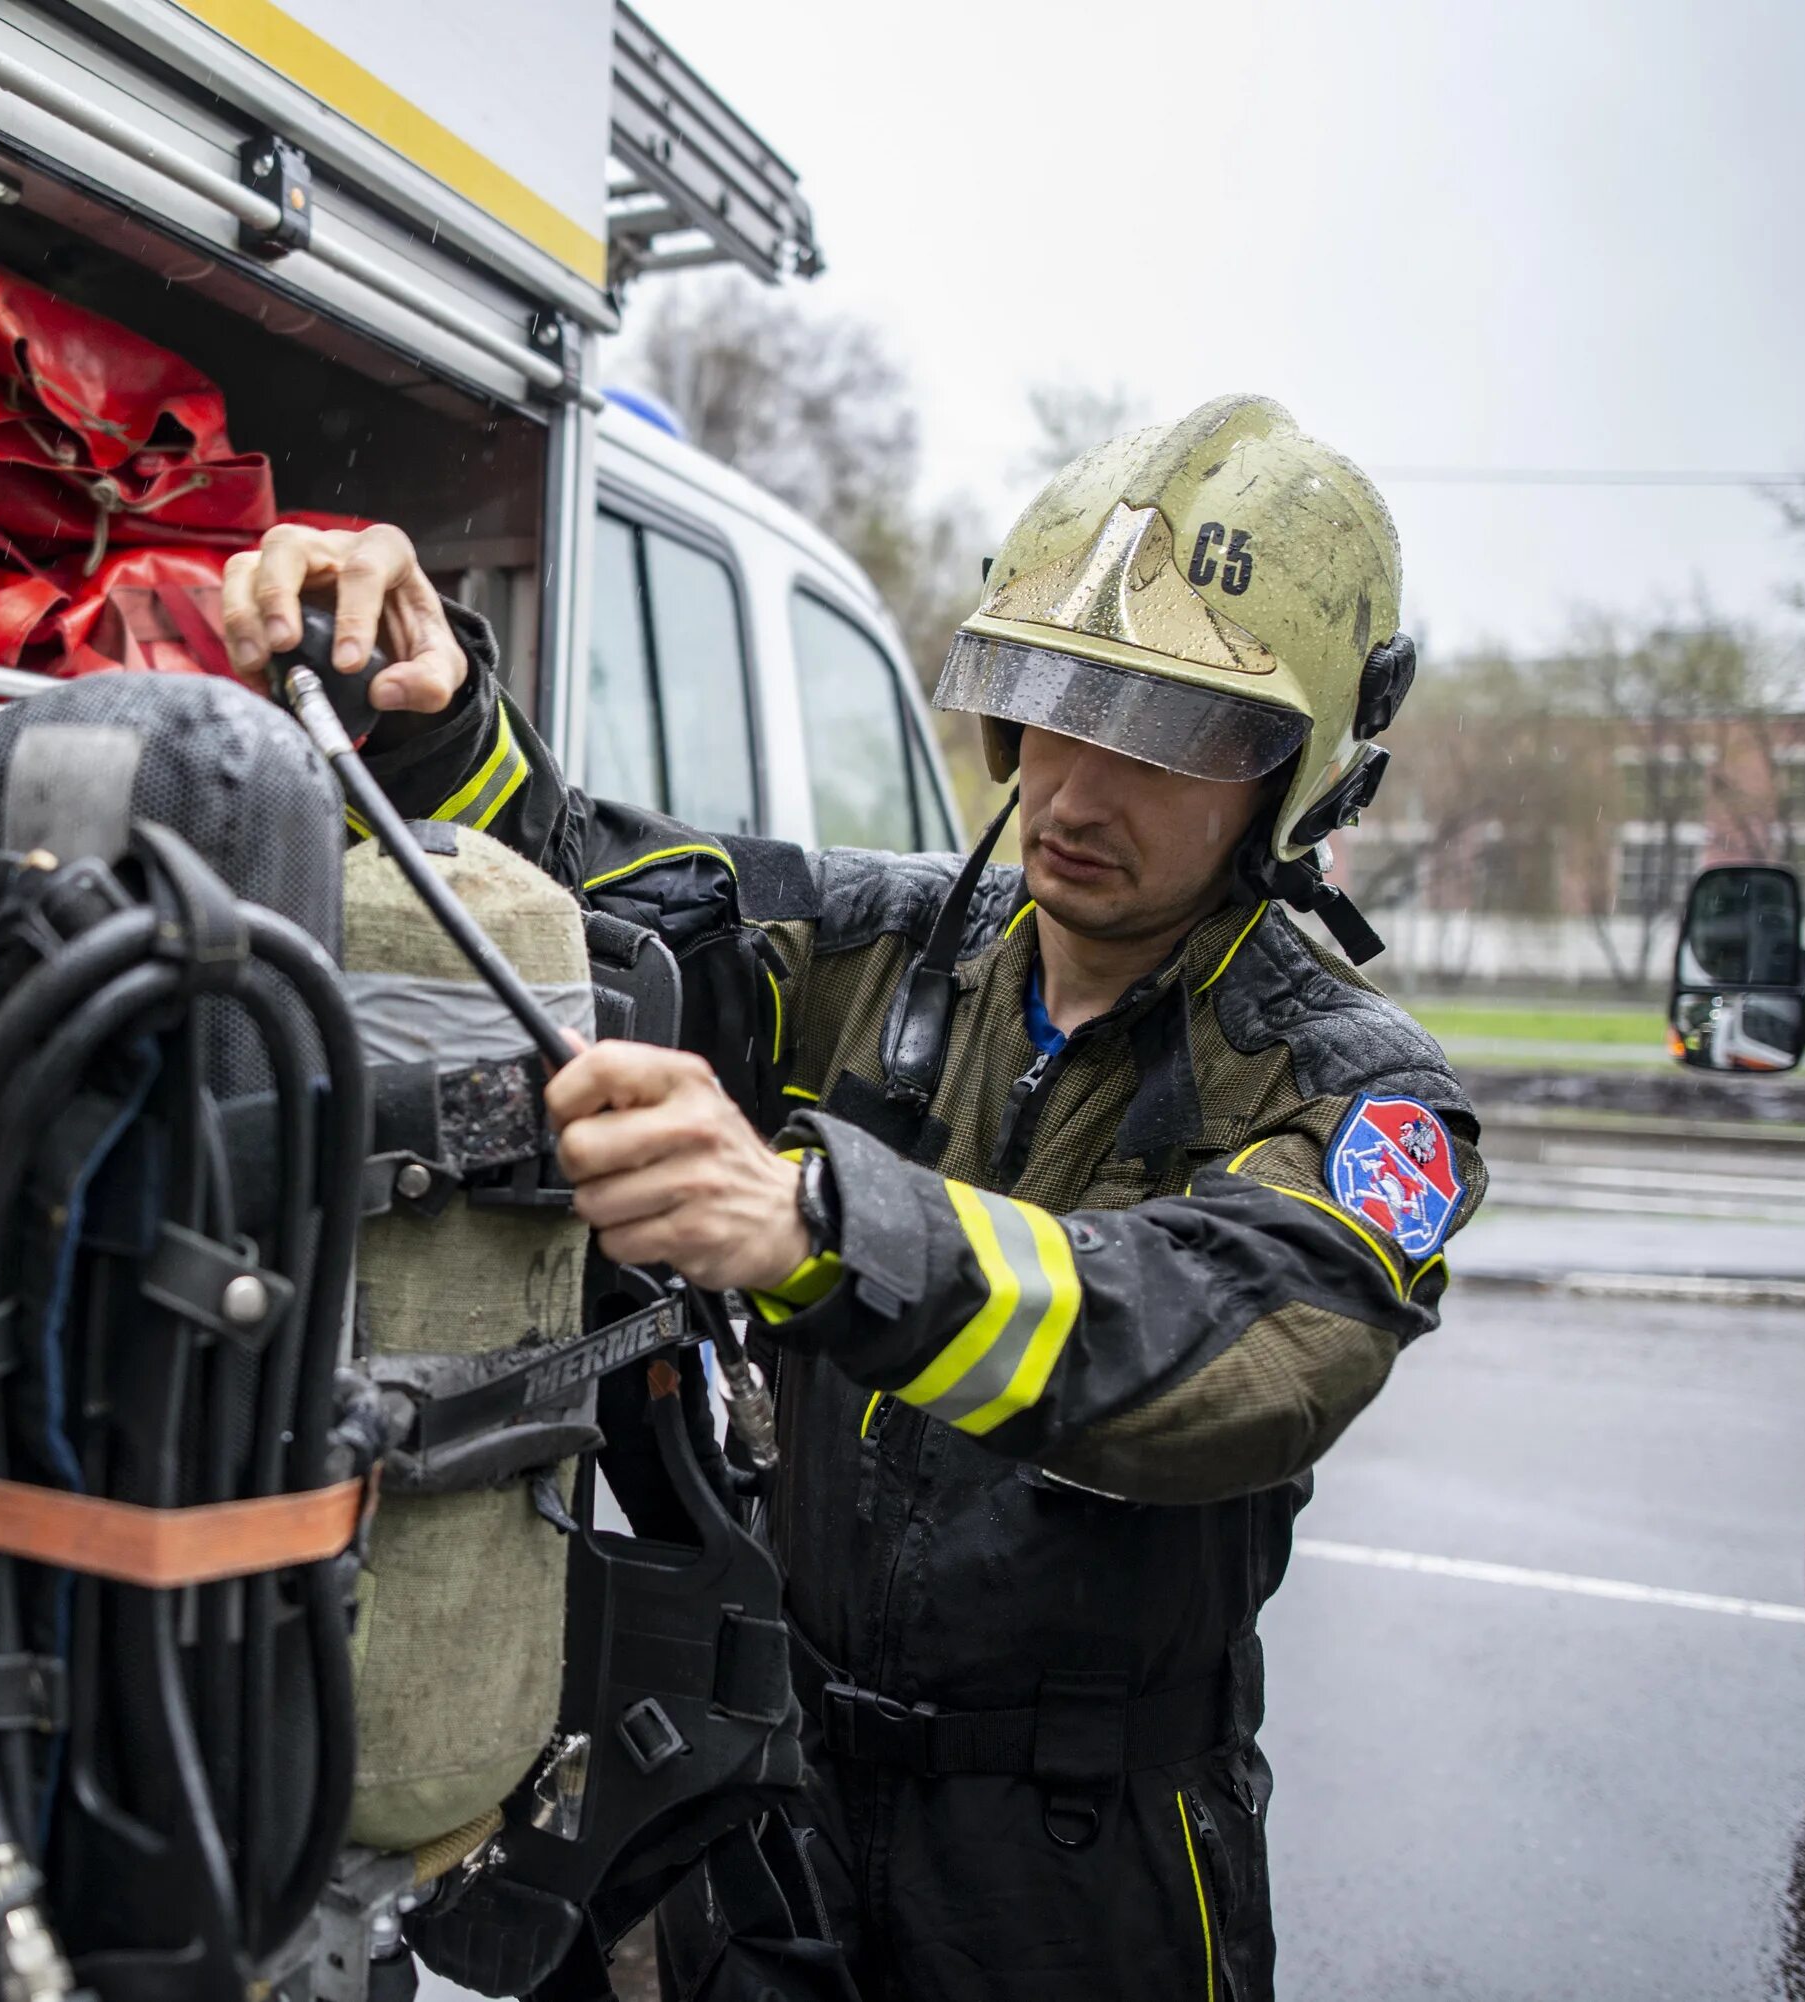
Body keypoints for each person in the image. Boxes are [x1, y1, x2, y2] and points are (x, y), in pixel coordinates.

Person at [221, 395, 1479, 2002]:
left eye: (1167, 735)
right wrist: (432, 708)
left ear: (1303, 776)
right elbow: (573, 892)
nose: (1073, 789)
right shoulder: (883, 947)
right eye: (1048, 702)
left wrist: (822, 1230)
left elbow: (1229, 1343)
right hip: (777, 1807)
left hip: (1081, 1875)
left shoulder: (1362, 1092)